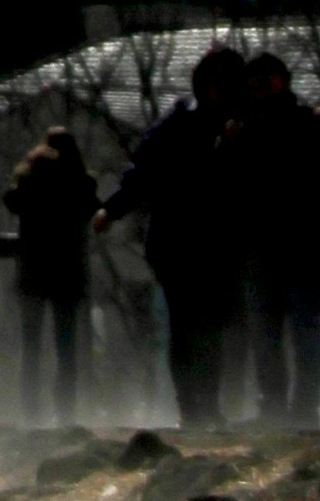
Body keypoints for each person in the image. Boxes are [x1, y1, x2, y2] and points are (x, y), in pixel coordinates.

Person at [106, 46, 254, 427]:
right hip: (179, 241)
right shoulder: (179, 123)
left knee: (214, 326)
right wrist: (113, 208)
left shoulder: (245, 123)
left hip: (220, 243)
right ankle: (192, 405)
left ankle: (209, 402)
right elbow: (145, 170)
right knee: (187, 325)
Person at [229, 51, 320, 425]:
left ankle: (303, 408)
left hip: (302, 247)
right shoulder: (246, 129)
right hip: (265, 249)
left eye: (263, 80)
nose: (258, 89)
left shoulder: (307, 125)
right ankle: (277, 406)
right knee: (271, 335)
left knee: (302, 330)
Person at [0, 117, 99, 418]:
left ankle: (31, 413)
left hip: (33, 272)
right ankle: (65, 413)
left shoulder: (31, 179)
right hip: (67, 274)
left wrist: (32, 167)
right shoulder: (81, 184)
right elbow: (92, 210)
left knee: (31, 348)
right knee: (66, 350)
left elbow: (11, 200)